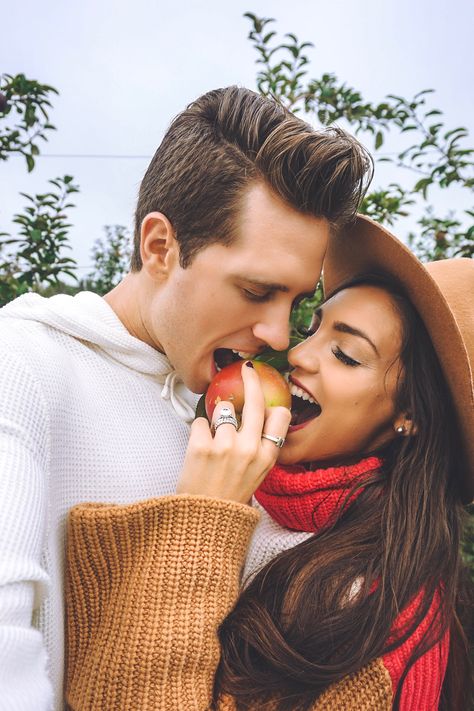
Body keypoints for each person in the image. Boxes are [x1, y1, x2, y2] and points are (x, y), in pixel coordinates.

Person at [0, 86, 372, 710]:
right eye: (256, 291)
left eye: (296, 301)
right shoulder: (24, 367)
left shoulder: (225, 412)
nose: (279, 335)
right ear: (160, 248)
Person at [64, 216, 473, 710]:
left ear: (410, 416)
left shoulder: (378, 613)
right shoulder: (240, 485)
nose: (296, 354)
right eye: (313, 329)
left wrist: (200, 518)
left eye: (345, 354)